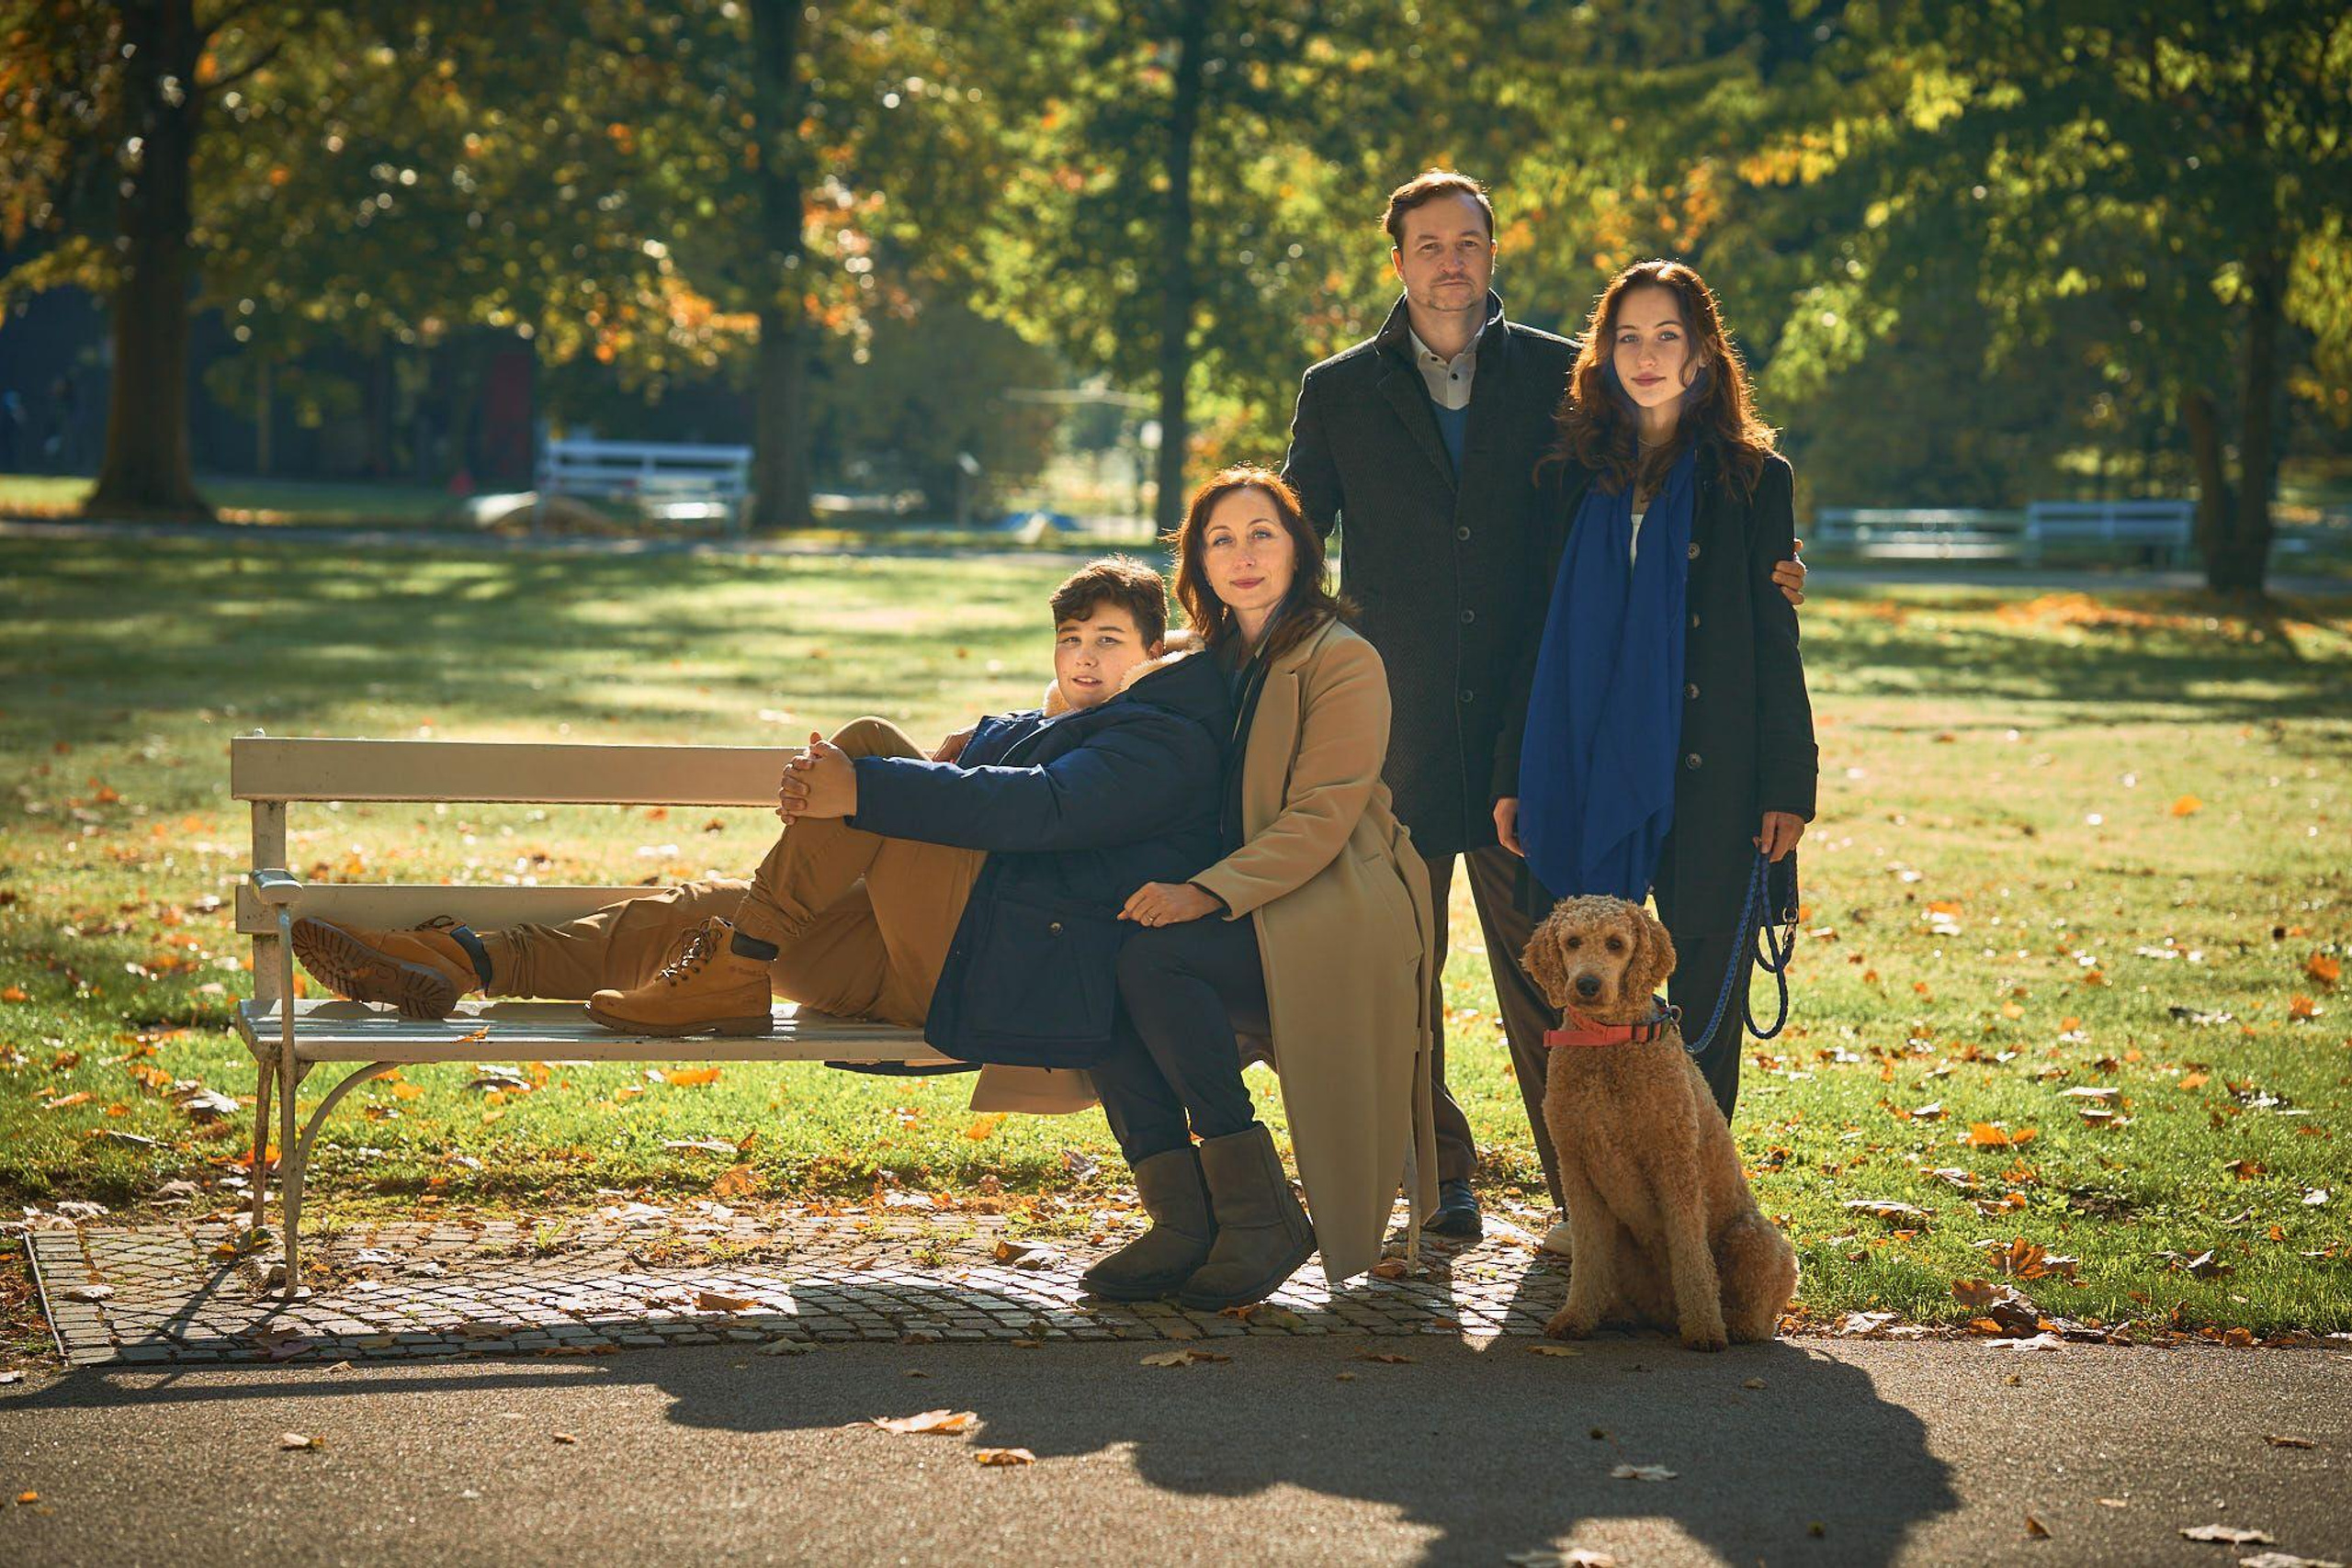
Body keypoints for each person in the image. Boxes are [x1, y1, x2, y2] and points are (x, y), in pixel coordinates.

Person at [1280, 169, 1806, 1237]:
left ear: (1490, 252)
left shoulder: (1554, 383)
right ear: (1397, 259)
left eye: (1466, 242)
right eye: (1427, 244)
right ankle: (1443, 1180)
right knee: (1399, 981)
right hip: (1402, 730)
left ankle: (1592, 1200)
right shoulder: (1337, 388)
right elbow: (1294, 540)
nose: (1448, 262)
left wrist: (1777, 572)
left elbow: (1665, 513)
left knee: (1564, 978)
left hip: (1542, 737)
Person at [289, 558, 1232, 1109]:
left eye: (1108, 640)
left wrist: (869, 784)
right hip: (910, 956)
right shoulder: (1033, 725)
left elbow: (1036, 815)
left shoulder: (1146, 737)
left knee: (862, 749)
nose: (1085, 657)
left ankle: (739, 966)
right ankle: (459, 961)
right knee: (708, 910)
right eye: (1071, 638)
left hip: (996, 960)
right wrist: (914, 778)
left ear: (1154, 653)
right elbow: (983, 798)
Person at [1080, 467, 1436, 1310]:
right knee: (1093, 954)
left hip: (1332, 903)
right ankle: (1182, 1220)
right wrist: (994, 735)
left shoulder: (1342, 658)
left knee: (1155, 963)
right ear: (1198, 564)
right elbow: (1097, 727)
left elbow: (1321, 816)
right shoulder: (1201, 661)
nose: (1242, 555)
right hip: (1249, 898)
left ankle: (1257, 1215)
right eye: (1220, 539)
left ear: (1300, 547)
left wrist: (1204, 891)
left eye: (1262, 534)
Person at [1496, 259, 1819, 1121]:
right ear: (1602, 353)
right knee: (1583, 989)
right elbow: (1535, 632)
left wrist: (1790, 783)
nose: (1645, 354)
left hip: (1715, 768)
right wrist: (1509, 770)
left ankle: (1699, 1201)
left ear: (1703, 354)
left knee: (1702, 991)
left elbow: (1771, 640)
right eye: (1626, 336)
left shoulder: (1755, 478)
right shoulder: (1564, 476)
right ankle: (1597, 1192)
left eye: (1666, 335)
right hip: (1580, 756)